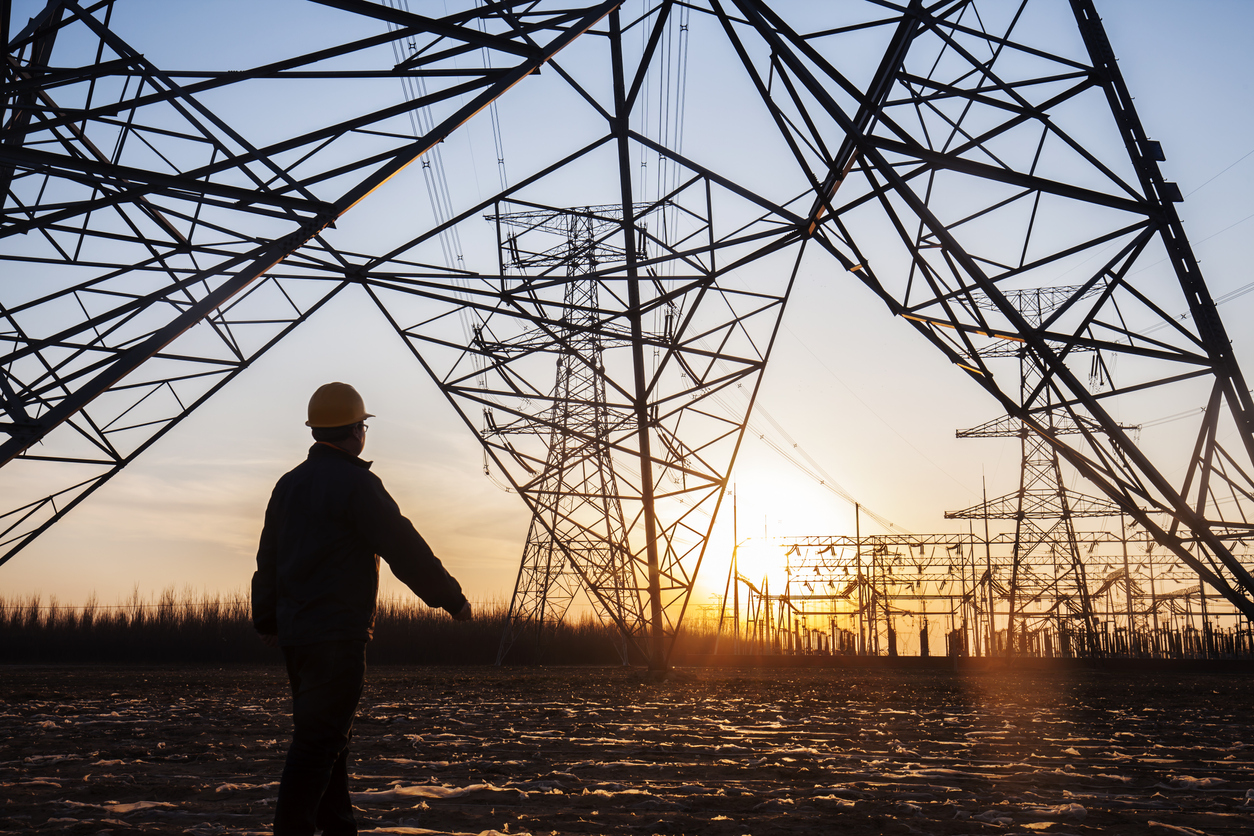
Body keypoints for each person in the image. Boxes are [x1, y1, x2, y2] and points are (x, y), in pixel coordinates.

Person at [252, 381, 472, 836]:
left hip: (297, 637)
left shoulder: (288, 485)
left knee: (330, 741)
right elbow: (404, 547)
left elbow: (268, 556)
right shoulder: (357, 484)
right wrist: (451, 597)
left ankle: (339, 830)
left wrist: (268, 618)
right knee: (320, 743)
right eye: (364, 426)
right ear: (356, 430)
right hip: (336, 634)